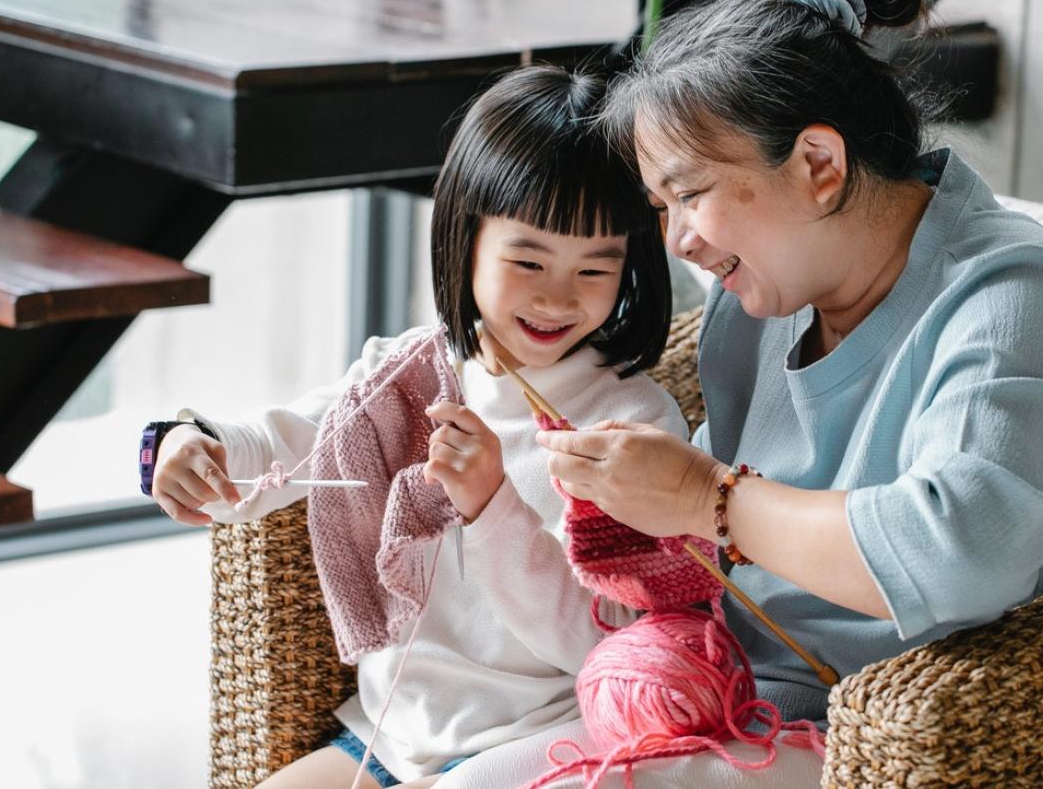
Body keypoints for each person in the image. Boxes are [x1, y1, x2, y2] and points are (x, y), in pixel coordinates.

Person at [447, 0, 1043, 788]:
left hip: (936, 732)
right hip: (744, 700)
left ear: (819, 166)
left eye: (690, 195)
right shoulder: (757, 306)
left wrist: (703, 497)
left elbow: (959, 555)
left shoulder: (1023, 300)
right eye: (661, 206)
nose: (678, 239)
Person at [143, 64, 687, 788]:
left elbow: (604, 639)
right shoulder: (403, 378)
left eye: (595, 270)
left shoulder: (631, 426)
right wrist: (182, 446)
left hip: (543, 743)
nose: (558, 297)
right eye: (528, 260)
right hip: (390, 738)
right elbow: (283, 445)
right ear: (465, 240)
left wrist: (494, 506)